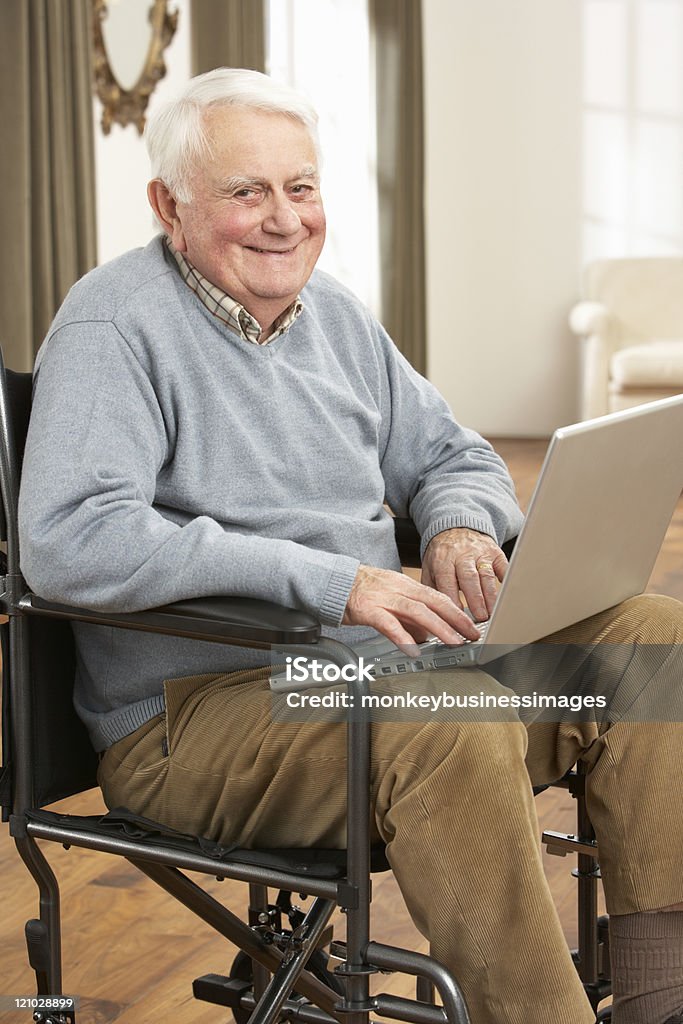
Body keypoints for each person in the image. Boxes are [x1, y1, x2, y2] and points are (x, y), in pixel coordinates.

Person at [17, 68, 683, 1024]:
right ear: (170, 205)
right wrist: (332, 582)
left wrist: (457, 519)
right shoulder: (112, 324)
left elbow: (452, 452)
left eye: (301, 188)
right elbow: (69, 540)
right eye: (247, 192)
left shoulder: (332, 315)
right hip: (204, 712)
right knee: (449, 718)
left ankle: (662, 1000)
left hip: (370, 681)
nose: (283, 219)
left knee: (647, 642)